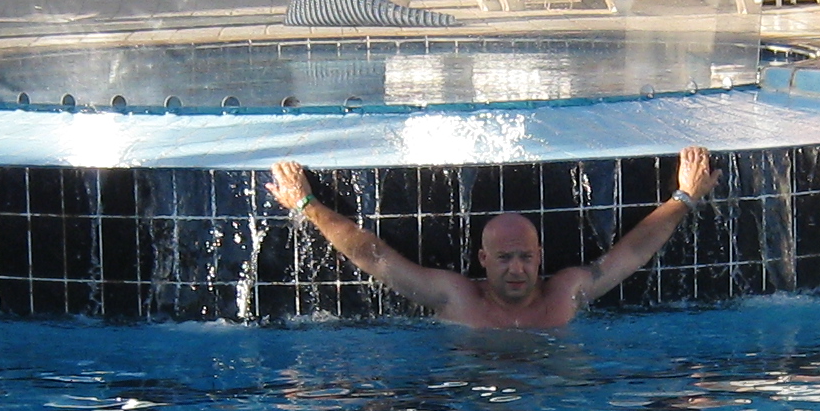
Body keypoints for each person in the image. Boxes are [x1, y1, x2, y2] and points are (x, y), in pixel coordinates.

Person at [267, 147, 716, 330]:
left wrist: (684, 196)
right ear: (483, 259)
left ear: (540, 255)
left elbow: (632, 251)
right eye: (504, 258)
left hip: (561, 410)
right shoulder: (456, 298)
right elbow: (374, 256)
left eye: (525, 257)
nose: (517, 269)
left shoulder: (566, 293)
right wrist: (308, 205)